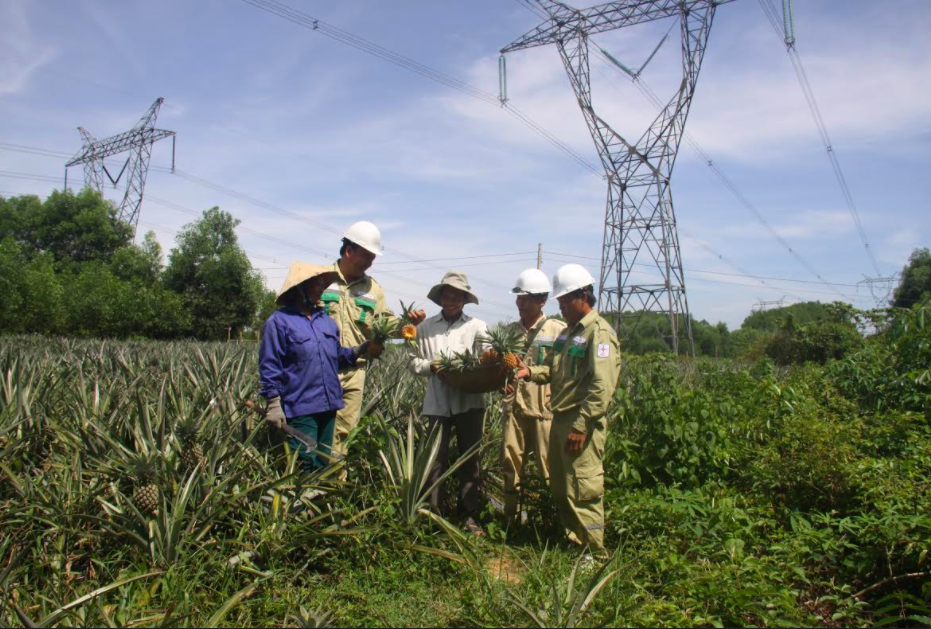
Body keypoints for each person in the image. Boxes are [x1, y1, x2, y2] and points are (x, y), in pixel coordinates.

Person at [515, 264, 620, 553]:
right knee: (562, 486)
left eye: (564, 301)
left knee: (583, 488)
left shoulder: (599, 333)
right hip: (560, 418)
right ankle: (574, 542)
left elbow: (602, 386)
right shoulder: (567, 334)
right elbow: (552, 369)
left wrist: (581, 426)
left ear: (583, 296)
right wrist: (529, 372)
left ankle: (594, 552)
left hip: (580, 421)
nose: (560, 307)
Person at [322, 221, 426, 464]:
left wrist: (407, 324)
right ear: (349, 251)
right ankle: (311, 477)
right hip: (321, 368)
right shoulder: (321, 278)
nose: (370, 263)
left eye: (372, 258)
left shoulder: (373, 289)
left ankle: (334, 479)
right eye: (366, 256)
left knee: (344, 431)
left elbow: (384, 324)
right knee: (319, 427)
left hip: (355, 369)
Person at [259, 262, 371, 473]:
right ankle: (301, 495)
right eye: (317, 284)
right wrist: (273, 402)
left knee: (322, 461)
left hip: (328, 405)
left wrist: (359, 350)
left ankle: (318, 494)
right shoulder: (279, 321)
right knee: (304, 464)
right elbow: (270, 364)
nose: (322, 289)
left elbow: (337, 357)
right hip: (301, 406)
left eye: (322, 284)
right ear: (299, 288)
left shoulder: (326, 322)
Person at [409, 271, 488, 535]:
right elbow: (413, 362)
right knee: (434, 460)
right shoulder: (425, 328)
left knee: (469, 459)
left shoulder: (476, 326)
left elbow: (488, 356)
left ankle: (468, 516)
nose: (452, 300)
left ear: (465, 300)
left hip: (470, 401)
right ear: (441, 298)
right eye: (447, 295)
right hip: (437, 402)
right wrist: (430, 366)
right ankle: (432, 515)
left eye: (457, 296)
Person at [500, 269, 567, 524]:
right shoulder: (508, 332)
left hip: (544, 410)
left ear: (542, 300)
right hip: (514, 408)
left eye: (526, 298)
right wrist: (501, 384)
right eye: (519, 298)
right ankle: (511, 518)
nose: (520, 303)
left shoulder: (558, 330)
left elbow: (565, 370)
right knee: (510, 463)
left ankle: (552, 521)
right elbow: (499, 369)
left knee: (548, 467)